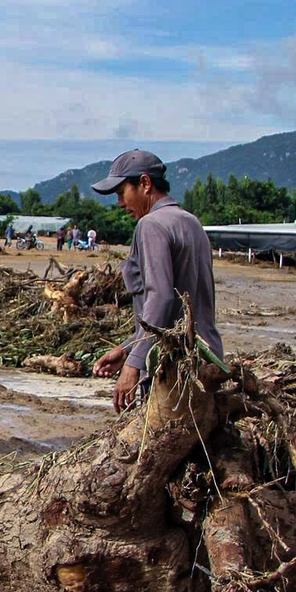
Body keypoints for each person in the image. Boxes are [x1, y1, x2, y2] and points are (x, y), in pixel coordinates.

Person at [91, 150, 224, 414]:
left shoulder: (151, 225)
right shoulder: (191, 222)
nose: (119, 203)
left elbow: (160, 298)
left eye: (121, 193)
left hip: (173, 367)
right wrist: (128, 348)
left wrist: (133, 366)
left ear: (145, 183)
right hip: (206, 359)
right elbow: (177, 306)